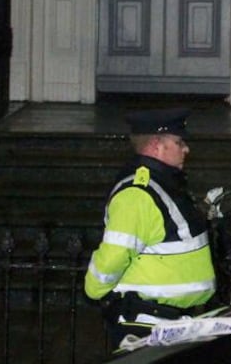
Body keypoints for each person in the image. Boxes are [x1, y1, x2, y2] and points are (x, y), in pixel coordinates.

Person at [84, 107, 216, 343]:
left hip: (169, 323)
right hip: (146, 325)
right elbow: (114, 255)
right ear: (157, 145)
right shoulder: (138, 194)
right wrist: (94, 291)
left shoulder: (163, 185)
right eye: (179, 142)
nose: (186, 149)